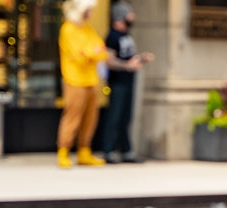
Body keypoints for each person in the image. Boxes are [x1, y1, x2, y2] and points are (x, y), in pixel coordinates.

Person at [56, 0, 108, 168]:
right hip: (74, 80)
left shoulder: (87, 29)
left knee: (90, 118)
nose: (90, 14)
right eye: (88, 10)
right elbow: (79, 55)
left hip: (90, 80)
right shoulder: (68, 29)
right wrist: (92, 53)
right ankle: (63, 151)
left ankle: (84, 151)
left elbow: (101, 50)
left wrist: (90, 54)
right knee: (72, 117)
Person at [102, 2, 154, 164]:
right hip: (117, 83)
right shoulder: (112, 36)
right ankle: (109, 150)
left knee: (126, 118)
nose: (133, 17)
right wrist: (126, 66)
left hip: (129, 81)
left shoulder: (127, 36)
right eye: (129, 14)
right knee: (115, 117)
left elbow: (129, 57)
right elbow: (109, 61)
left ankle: (126, 151)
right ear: (120, 17)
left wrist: (141, 58)